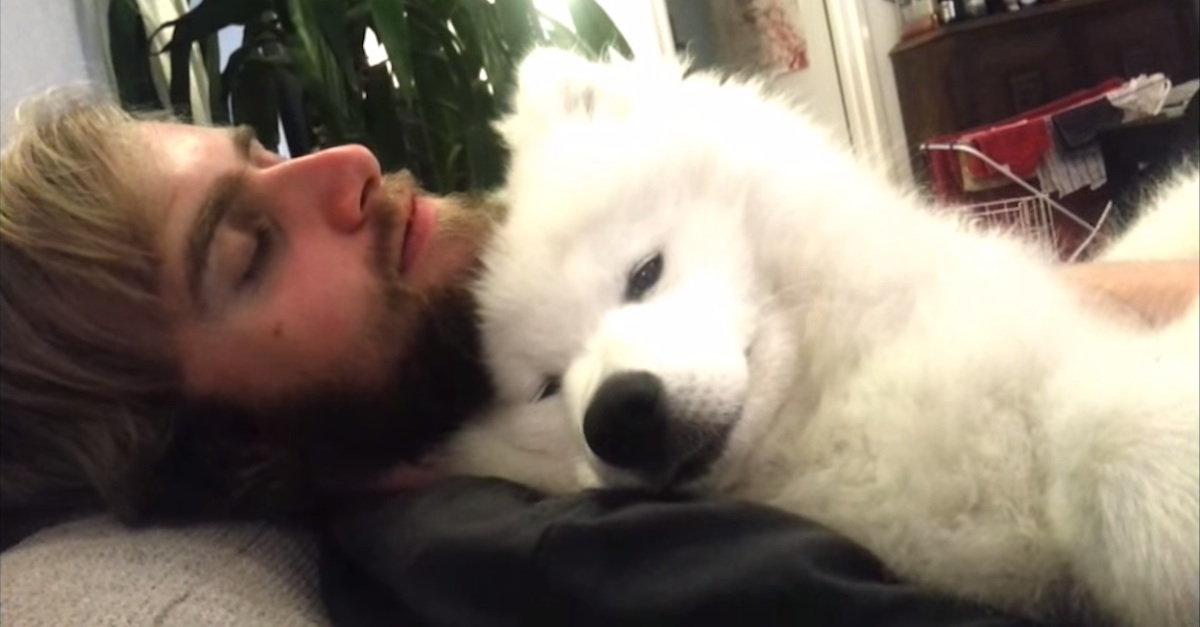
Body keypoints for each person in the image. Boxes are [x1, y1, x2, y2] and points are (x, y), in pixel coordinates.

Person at [1, 89, 1197, 530]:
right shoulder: (539, 551)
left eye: (264, 148)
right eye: (246, 249)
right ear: (232, 457)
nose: (349, 160)